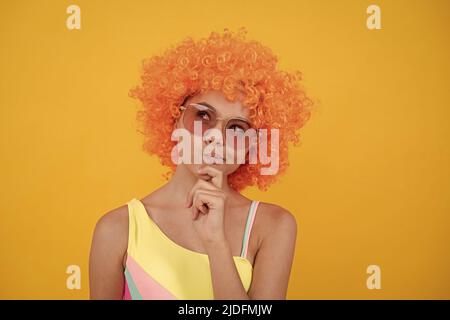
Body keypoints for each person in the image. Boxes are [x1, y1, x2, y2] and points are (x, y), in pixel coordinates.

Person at [89, 27, 312, 300]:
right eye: (203, 116)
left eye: (238, 128)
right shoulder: (117, 229)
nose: (216, 138)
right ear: (174, 120)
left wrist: (215, 242)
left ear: (252, 145)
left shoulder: (273, 226)